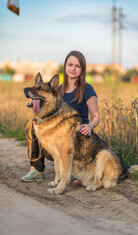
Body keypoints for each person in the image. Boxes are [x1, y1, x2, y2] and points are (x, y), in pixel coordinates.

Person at [21, 50, 100, 182]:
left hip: (77, 139)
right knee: (33, 124)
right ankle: (36, 170)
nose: (73, 68)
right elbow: (49, 112)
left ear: (82, 69)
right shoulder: (58, 89)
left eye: (77, 66)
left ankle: (78, 170)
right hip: (58, 136)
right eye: (70, 65)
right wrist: (35, 104)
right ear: (65, 66)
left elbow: (96, 116)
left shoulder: (87, 89)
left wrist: (91, 126)